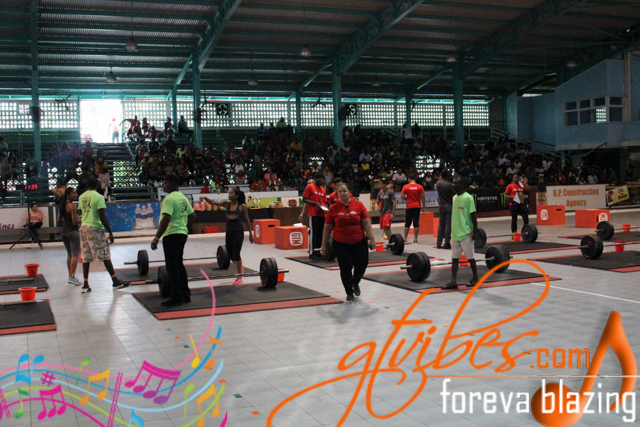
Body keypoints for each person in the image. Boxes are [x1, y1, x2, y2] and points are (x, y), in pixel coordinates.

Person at [322, 183, 376, 302]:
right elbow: (327, 227)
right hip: (341, 243)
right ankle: (349, 292)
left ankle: (355, 282)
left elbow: (366, 223)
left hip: (359, 241)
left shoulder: (359, 205)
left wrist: (372, 239)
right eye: (339, 192)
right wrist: (324, 244)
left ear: (349, 192)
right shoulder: (333, 209)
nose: (342, 193)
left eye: (344, 191)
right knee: (345, 268)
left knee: (362, 264)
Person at [78, 177, 128, 293]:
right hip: (95, 227)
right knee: (104, 255)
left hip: (84, 227)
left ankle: (85, 284)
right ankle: (115, 282)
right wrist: (110, 231)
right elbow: (102, 215)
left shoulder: (81, 197)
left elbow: (82, 212)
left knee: (86, 256)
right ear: (97, 186)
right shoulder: (99, 197)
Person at [152, 174, 196, 306]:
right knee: (179, 264)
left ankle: (176, 297)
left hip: (171, 234)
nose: (164, 186)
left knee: (172, 267)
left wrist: (156, 237)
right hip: (181, 234)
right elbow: (193, 216)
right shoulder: (183, 198)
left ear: (173, 184)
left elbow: (166, 219)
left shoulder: (169, 199)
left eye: (165, 183)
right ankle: (185, 294)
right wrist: (184, 227)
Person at [200, 188, 253, 283]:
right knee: (229, 253)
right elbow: (213, 202)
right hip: (229, 231)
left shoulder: (242, 206)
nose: (229, 195)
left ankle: (239, 276)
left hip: (238, 232)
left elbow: (247, 221)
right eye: (229, 193)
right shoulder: (226, 204)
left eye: (231, 193)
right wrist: (205, 197)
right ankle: (240, 266)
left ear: (236, 196)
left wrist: (251, 234)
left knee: (236, 253)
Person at [443, 177, 479, 290]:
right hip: (455, 233)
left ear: (462, 185)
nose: (453, 184)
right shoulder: (454, 198)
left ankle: (475, 278)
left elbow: (473, 215)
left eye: (456, 183)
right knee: (455, 258)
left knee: (470, 257)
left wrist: (475, 231)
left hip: (466, 232)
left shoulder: (468, 198)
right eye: (453, 182)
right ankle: (453, 281)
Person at [57, 187, 81, 286]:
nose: (76, 195)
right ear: (68, 195)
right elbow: (75, 222)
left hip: (64, 232)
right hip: (73, 232)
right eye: (73, 193)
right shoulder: (72, 206)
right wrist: (84, 219)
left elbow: (59, 220)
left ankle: (71, 276)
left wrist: (67, 221)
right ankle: (72, 277)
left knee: (69, 254)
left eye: (76, 193)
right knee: (75, 255)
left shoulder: (62, 205)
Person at [303, 173, 327, 259]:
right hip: (313, 213)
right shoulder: (310, 187)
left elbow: (324, 201)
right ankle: (312, 252)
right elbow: (304, 199)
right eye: (320, 179)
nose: (322, 181)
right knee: (314, 233)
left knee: (320, 233)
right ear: (316, 179)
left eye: (323, 180)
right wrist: (315, 204)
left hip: (322, 213)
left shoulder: (323, 190)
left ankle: (318, 251)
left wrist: (324, 208)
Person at [401, 174, 426, 244]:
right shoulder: (420, 187)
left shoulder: (406, 186)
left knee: (407, 223)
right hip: (417, 206)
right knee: (416, 223)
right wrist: (424, 207)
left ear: (409, 179)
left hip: (409, 206)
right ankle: (415, 239)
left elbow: (402, 196)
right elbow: (423, 198)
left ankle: (405, 238)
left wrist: (407, 199)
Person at [435, 170, 456, 249]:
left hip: (441, 205)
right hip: (448, 205)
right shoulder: (449, 185)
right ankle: (447, 242)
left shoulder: (438, 183)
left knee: (441, 224)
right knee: (448, 224)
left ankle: (438, 242)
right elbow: (454, 193)